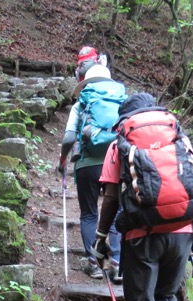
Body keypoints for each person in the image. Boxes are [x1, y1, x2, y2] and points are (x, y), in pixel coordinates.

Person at [93, 92, 193, 301]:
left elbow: (111, 198)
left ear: (127, 120)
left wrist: (101, 238)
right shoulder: (178, 138)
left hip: (141, 233)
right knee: (166, 295)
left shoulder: (120, 144)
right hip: (183, 229)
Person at [57, 48, 125, 281]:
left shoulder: (82, 102)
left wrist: (63, 160)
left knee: (89, 213)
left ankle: (94, 264)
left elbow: (68, 138)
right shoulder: (120, 101)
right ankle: (116, 263)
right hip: (116, 163)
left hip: (87, 163)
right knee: (115, 212)